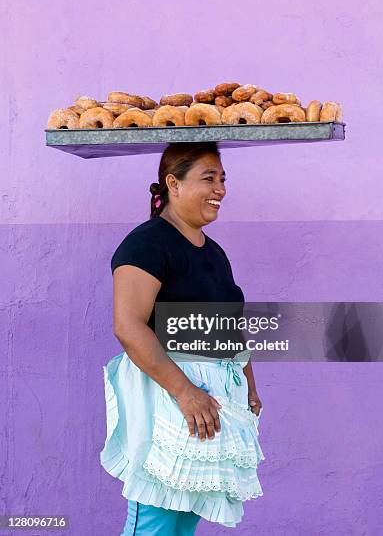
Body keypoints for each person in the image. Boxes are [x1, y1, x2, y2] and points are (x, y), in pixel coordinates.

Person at [100, 142, 264, 534]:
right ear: (173, 184)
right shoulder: (147, 244)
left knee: (184, 516)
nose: (220, 189)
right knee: (156, 519)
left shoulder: (214, 253)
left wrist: (250, 388)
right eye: (208, 178)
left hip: (210, 401)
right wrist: (185, 391)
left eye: (223, 179)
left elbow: (227, 327)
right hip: (170, 400)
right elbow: (129, 326)